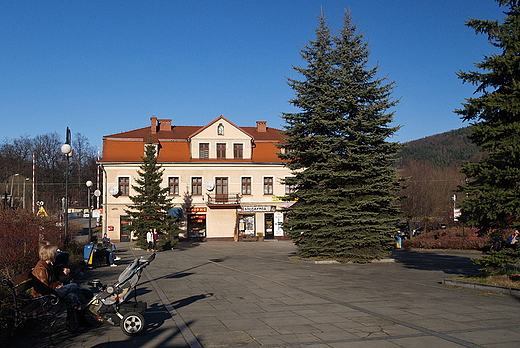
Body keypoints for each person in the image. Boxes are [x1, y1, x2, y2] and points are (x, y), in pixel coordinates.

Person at [32, 244, 93, 326]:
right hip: (46, 296)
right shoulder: (41, 268)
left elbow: (53, 279)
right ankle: (87, 306)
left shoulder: (48, 265)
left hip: (52, 291)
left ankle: (78, 320)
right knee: (74, 286)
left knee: (73, 295)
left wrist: (61, 272)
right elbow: (45, 287)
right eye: (55, 253)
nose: (57, 255)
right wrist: (57, 284)